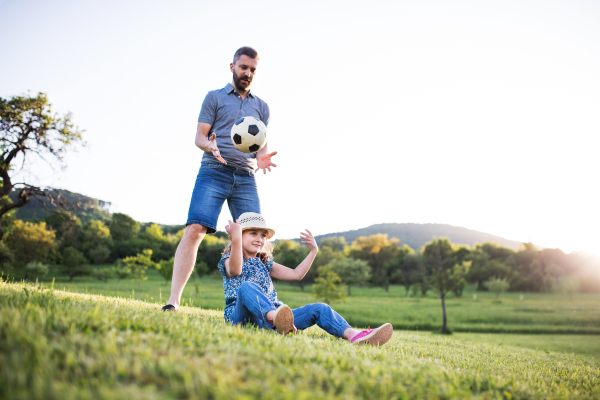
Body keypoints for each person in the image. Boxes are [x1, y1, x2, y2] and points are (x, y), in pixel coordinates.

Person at [162, 47, 277, 311]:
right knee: (195, 230)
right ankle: (173, 302)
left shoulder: (262, 107)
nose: (247, 73)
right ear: (232, 66)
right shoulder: (214, 97)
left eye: (252, 70)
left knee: (257, 241)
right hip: (213, 170)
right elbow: (199, 137)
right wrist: (210, 147)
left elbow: (259, 142)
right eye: (243, 67)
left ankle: (262, 307)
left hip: (246, 176)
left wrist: (261, 157)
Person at [218, 212, 394, 346]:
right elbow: (235, 270)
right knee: (246, 287)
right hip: (243, 318)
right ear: (239, 236)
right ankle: (276, 319)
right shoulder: (229, 259)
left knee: (319, 308)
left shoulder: (264, 262)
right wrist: (235, 239)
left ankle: (354, 335)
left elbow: (296, 274)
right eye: (253, 233)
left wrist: (313, 252)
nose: (259, 239)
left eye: (263, 235)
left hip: (271, 320)